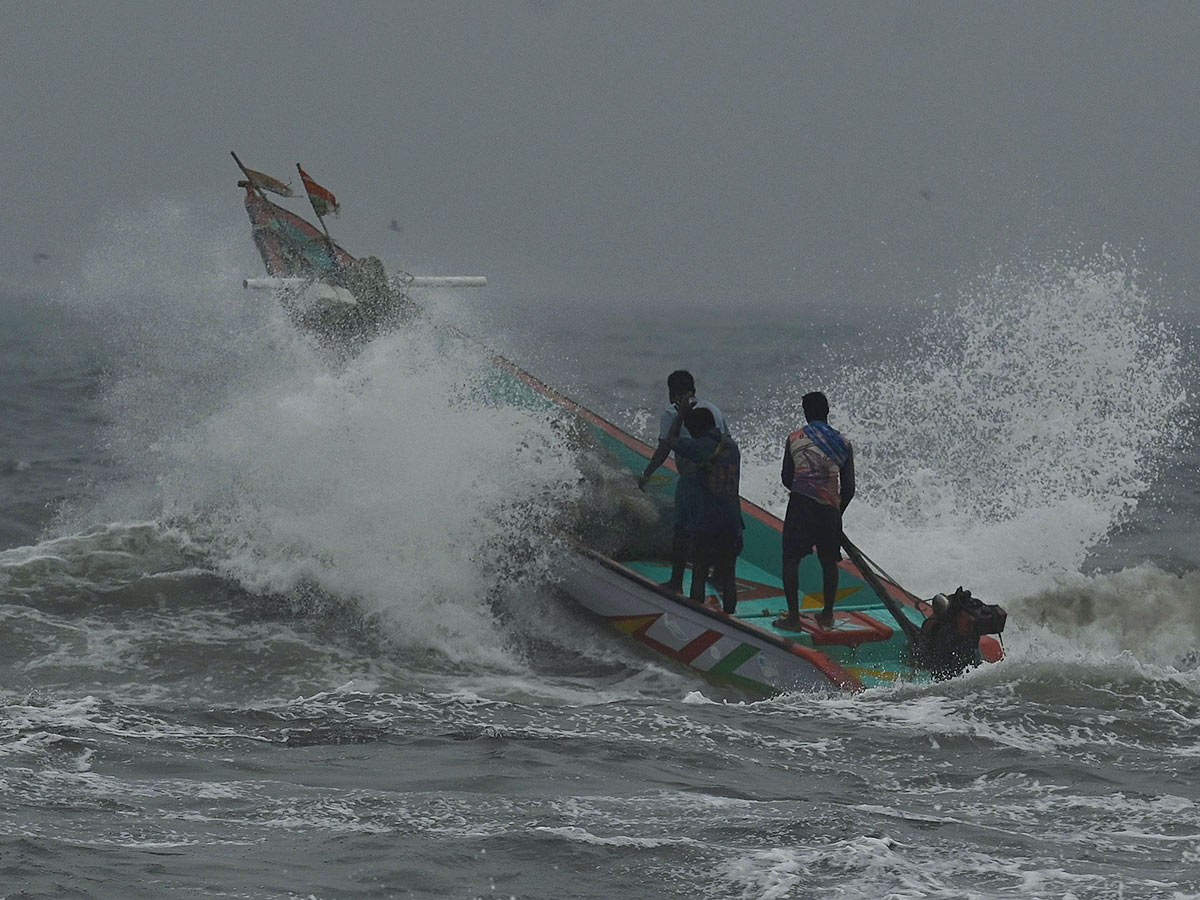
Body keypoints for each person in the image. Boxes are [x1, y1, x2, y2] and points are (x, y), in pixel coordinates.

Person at [637, 370, 729, 592]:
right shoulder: (713, 409)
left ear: (673, 393)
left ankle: (676, 583)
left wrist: (646, 474)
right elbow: (726, 442)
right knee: (711, 529)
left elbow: (665, 447)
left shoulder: (672, 413)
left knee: (683, 531)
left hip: (692, 480)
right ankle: (718, 577)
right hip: (718, 478)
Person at [774, 391, 855, 632]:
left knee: (790, 559)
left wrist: (806, 491)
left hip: (800, 506)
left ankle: (794, 619)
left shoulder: (794, 438)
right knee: (829, 562)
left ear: (806, 413)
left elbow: (787, 478)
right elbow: (849, 488)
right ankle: (828, 616)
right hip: (830, 510)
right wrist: (835, 512)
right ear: (827, 412)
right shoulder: (844, 443)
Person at [666, 405, 744, 613]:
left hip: (708, 524)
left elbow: (669, 441)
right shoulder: (733, 447)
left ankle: (696, 616)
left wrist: (680, 415)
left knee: (699, 571)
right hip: (733, 523)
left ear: (696, 431)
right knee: (729, 577)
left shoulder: (700, 447)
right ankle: (729, 618)